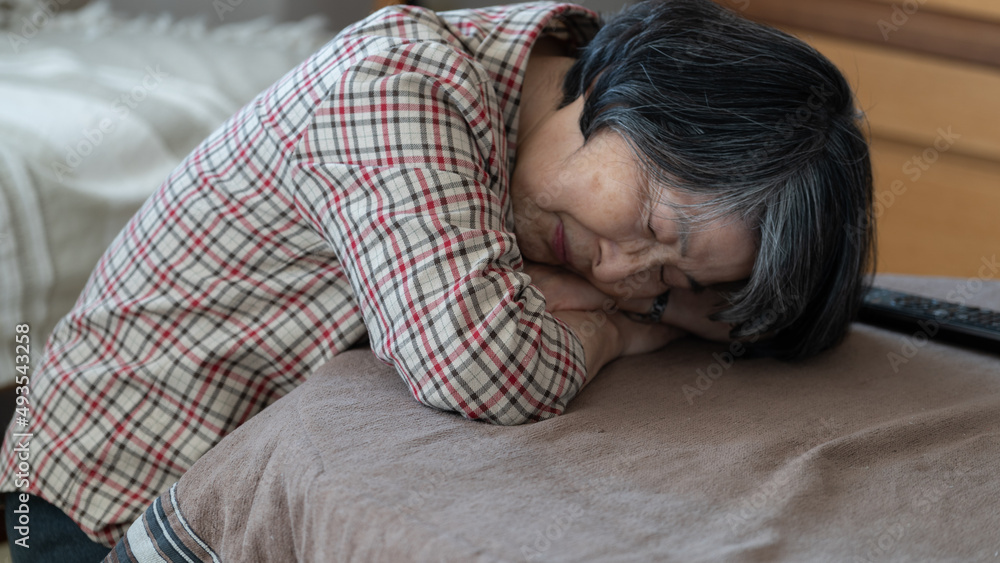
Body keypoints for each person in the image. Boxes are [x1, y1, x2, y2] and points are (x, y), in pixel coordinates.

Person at [1, 0, 874, 558]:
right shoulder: (395, 82)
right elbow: (479, 363)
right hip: (85, 501)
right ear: (618, 88)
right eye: (652, 225)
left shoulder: (556, 173)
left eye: (667, 284)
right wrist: (620, 331)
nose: (618, 273)